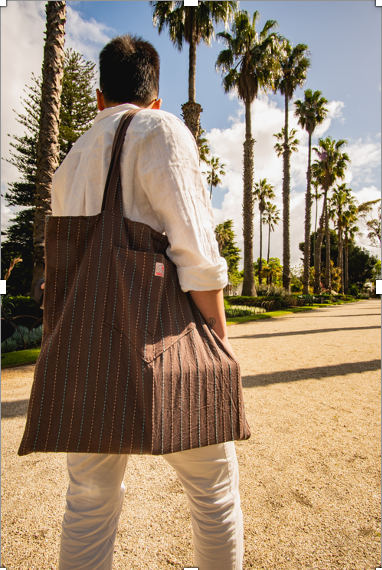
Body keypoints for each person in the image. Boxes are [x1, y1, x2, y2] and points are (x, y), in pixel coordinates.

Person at [52, 34, 244, 570]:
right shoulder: (160, 130)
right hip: (165, 346)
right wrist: (218, 348)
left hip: (88, 355)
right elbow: (197, 254)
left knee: (87, 504)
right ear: (154, 98)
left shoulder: (72, 157)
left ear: (98, 97)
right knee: (214, 493)